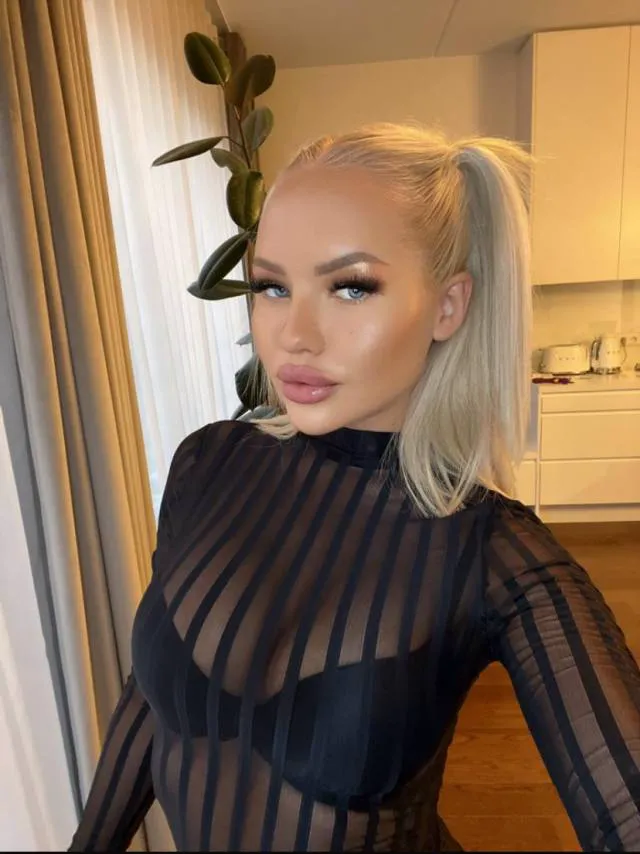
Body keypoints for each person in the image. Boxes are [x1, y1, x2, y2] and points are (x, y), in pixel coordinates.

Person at [68, 123, 640, 852]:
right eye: (273, 286)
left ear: (448, 306)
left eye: (350, 287)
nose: (294, 334)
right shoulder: (207, 464)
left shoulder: (494, 554)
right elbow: (153, 699)